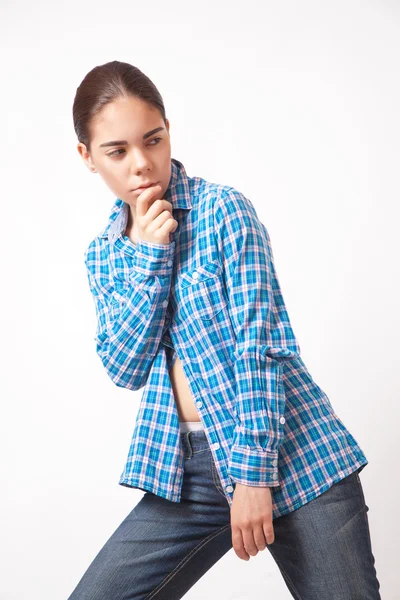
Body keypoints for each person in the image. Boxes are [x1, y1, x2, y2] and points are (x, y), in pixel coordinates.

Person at [68, 60, 381, 599]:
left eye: (153, 140)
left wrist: (253, 475)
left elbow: (263, 348)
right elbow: (126, 368)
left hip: (294, 456)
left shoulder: (224, 213)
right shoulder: (107, 254)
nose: (142, 164)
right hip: (185, 472)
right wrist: (150, 254)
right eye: (117, 152)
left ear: (169, 131)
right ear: (88, 158)